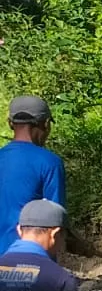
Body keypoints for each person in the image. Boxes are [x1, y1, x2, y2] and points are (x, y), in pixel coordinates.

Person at [1, 96, 66, 245]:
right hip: (30, 259)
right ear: (46, 124)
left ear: (10, 124)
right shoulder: (50, 162)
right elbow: (55, 219)